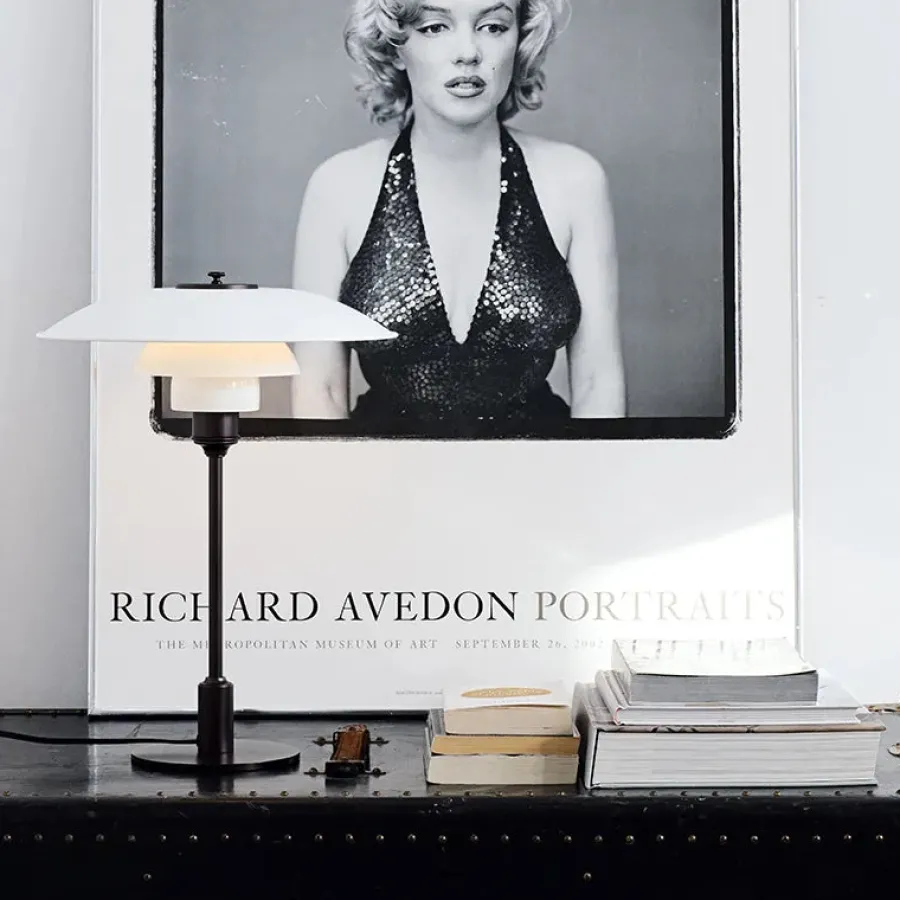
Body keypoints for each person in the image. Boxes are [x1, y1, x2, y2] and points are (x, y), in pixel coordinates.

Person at [290, 0, 625, 435]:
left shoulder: (576, 181)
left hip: (543, 469)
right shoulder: (337, 186)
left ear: (520, 41)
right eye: (435, 27)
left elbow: (598, 384)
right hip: (379, 472)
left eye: (493, 26)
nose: (468, 52)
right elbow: (320, 391)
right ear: (395, 46)